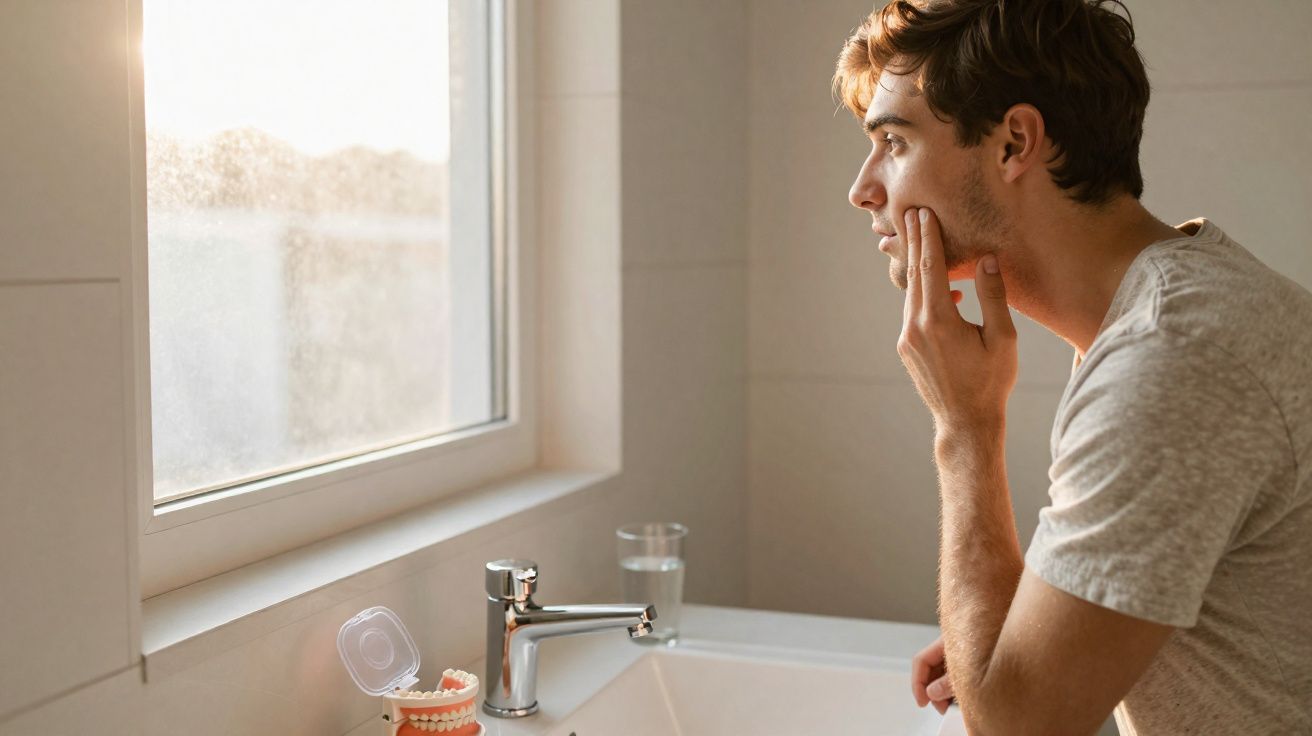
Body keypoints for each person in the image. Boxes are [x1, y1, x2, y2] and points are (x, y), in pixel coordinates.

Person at [833, 1, 1312, 733]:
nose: (863, 188)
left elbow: (1015, 724)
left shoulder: (1170, 356)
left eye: (894, 142)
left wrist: (965, 425)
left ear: (1014, 142)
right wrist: (1038, 623)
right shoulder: (1173, 311)